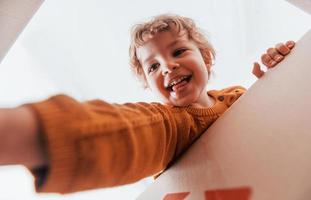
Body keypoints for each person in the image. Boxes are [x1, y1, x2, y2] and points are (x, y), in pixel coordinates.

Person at [0, 14, 294, 194]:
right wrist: (30, 134)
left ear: (206, 57)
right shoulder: (173, 124)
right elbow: (123, 131)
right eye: (153, 67)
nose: (167, 66)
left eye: (178, 51)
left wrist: (280, 75)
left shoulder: (237, 95)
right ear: (148, 84)